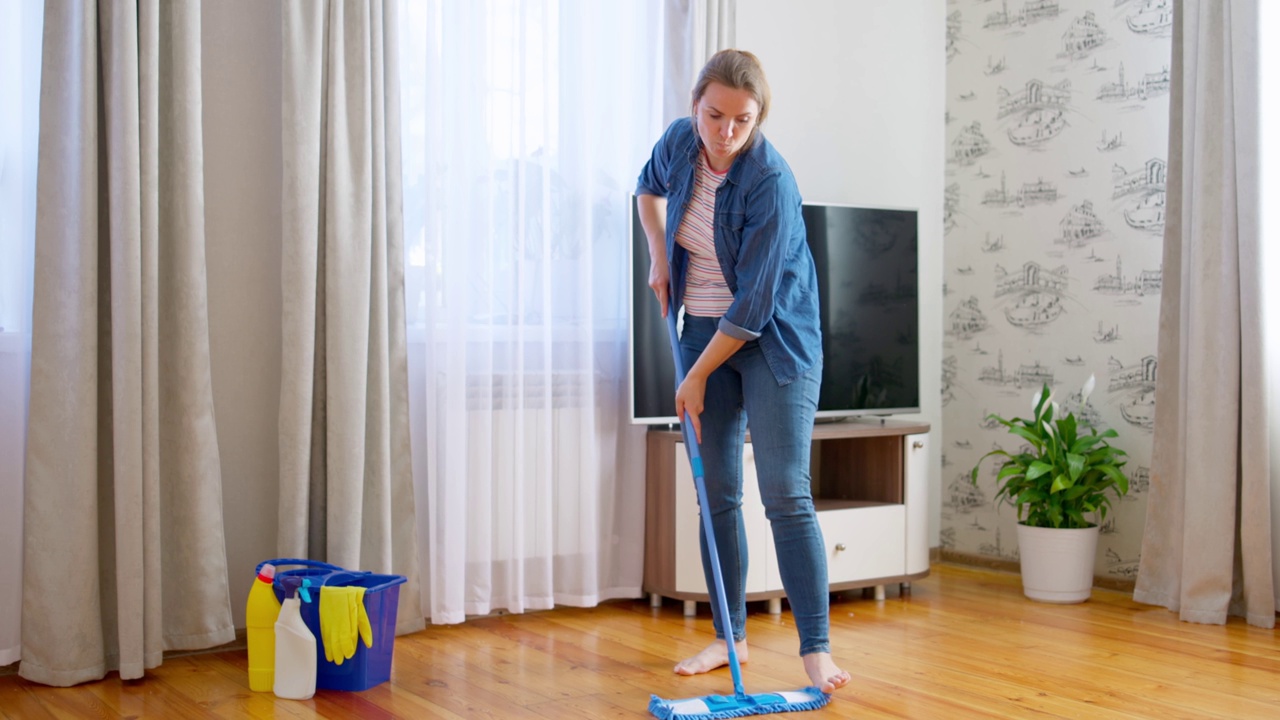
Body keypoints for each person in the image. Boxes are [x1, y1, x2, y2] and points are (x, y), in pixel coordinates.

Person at [634, 49, 850, 694]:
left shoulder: (771, 182)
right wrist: (659, 258)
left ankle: (815, 650)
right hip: (702, 330)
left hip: (774, 342)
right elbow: (646, 188)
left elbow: (755, 306)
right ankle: (731, 637)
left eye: (742, 120)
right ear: (695, 106)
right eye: (714, 115)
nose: (725, 132)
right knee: (717, 494)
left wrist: (696, 376)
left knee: (786, 492)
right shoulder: (679, 141)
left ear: (759, 119)